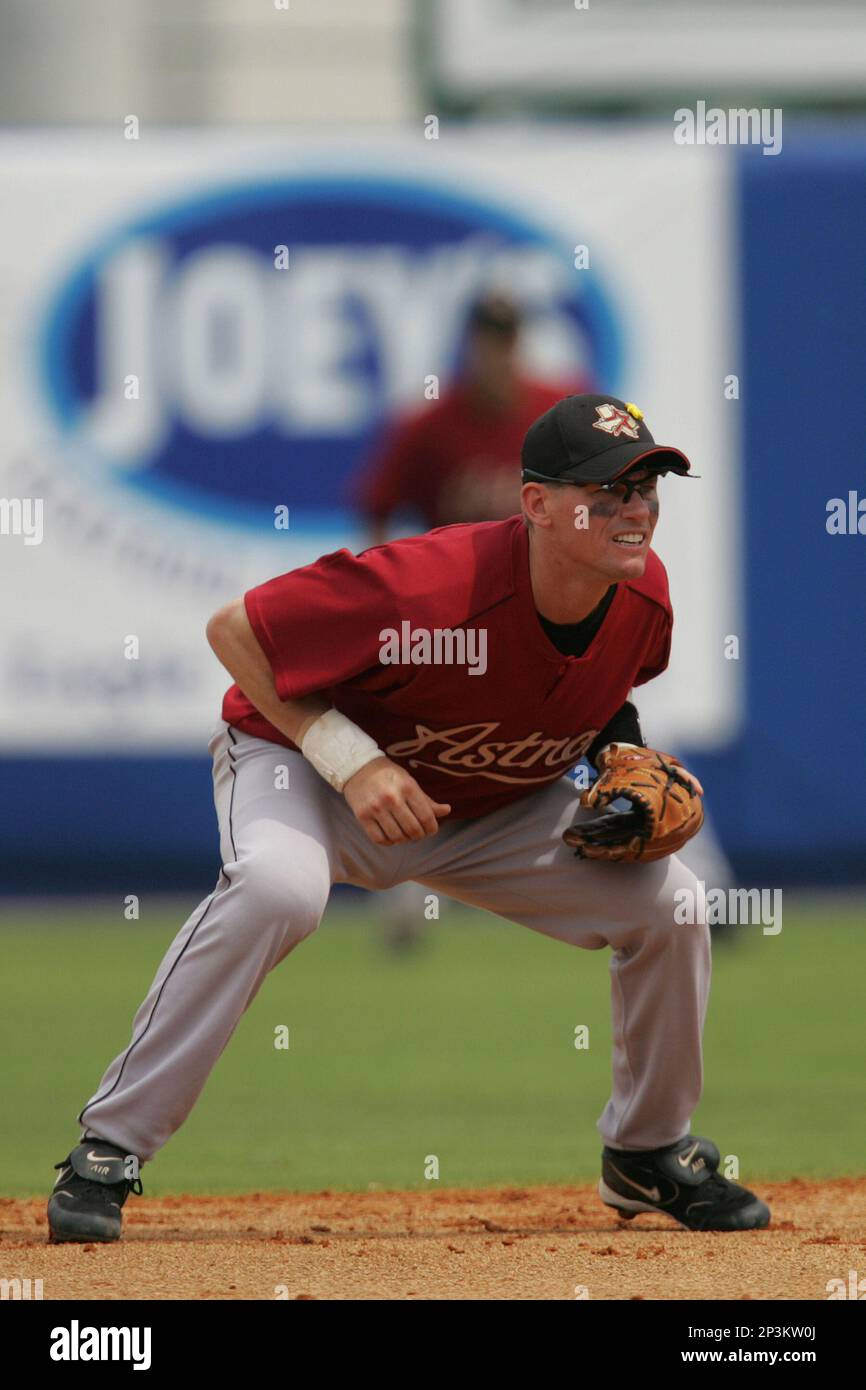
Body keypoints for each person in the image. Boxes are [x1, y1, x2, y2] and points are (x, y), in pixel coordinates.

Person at [47, 394, 770, 1242]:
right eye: (606, 492)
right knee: (279, 889)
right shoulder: (430, 585)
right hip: (306, 766)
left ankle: (646, 1155)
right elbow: (235, 630)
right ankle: (110, 1146)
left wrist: (621, 763)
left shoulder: (643, 598)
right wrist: (352, 762)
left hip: (484, 803)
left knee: (674, 905)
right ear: (536, 504)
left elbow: (601, 697)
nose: (635, 509)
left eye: (648, 487)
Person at [353, 292, 589, 542]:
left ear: (517, 342)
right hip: (461, 574)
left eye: (503, 341)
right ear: (470, 344)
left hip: (542, 573)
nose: (495, 354)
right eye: (486, 341)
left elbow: (599, 490)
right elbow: (377, 506)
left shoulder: (559, 411)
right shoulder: (430, 425)